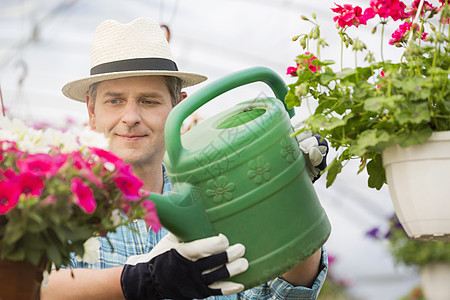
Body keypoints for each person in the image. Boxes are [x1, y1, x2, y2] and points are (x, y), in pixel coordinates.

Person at [42, 17, 329, 299]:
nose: (130, 117)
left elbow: (281, 294)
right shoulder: (55, 201)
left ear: (178, 109)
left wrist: (291, 189)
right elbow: (28, 287)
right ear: (92, 111)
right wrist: (140, 280)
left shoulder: (217, 195)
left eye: (149, 101)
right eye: (114, 100)